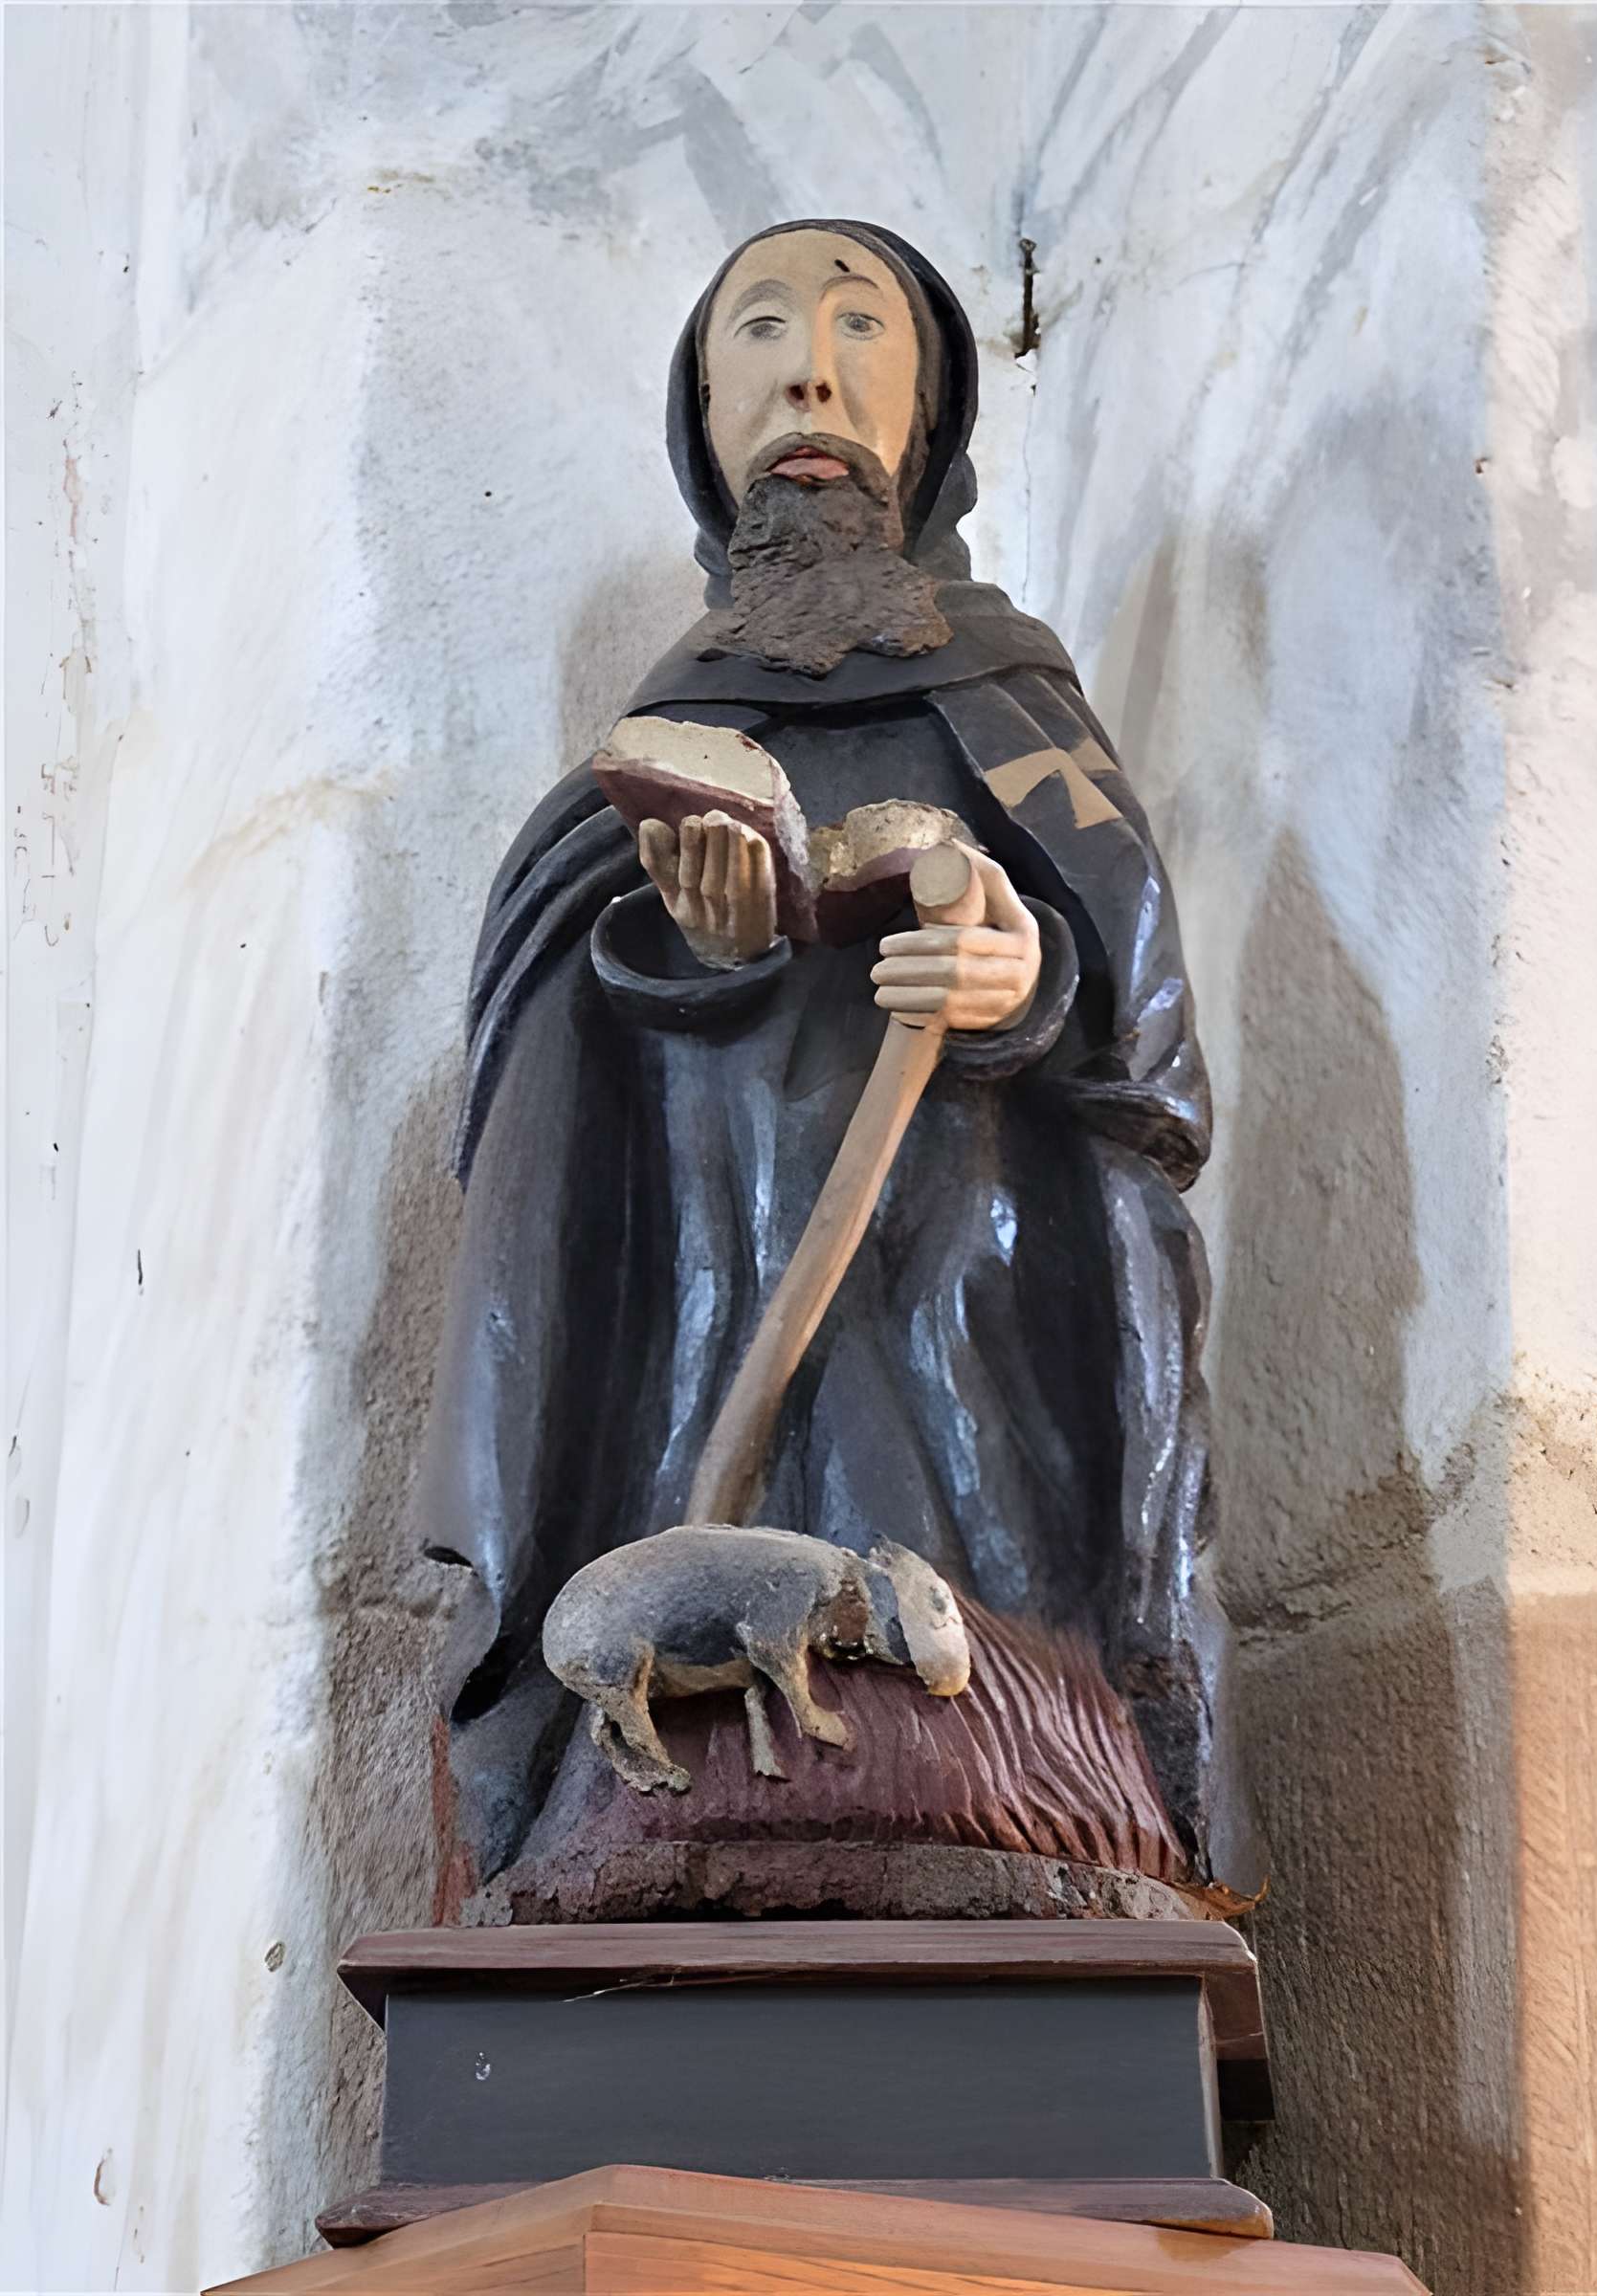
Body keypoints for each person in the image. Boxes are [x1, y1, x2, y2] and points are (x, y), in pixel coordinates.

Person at [423, 221, 1221, 1884]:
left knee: (949, 1523)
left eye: (862, 332)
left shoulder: (1015, 694)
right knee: (712, 1574)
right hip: (709, 1259)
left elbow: (1141, 1040)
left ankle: (1010, 1769)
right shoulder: (658, 725)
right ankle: (670, 1779)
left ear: (923, 413)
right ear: (702, 415)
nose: (808, 370)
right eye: (761, 334)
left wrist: (1027, 972)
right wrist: (684, 947)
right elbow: (539, 1073)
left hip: (966, 1258)